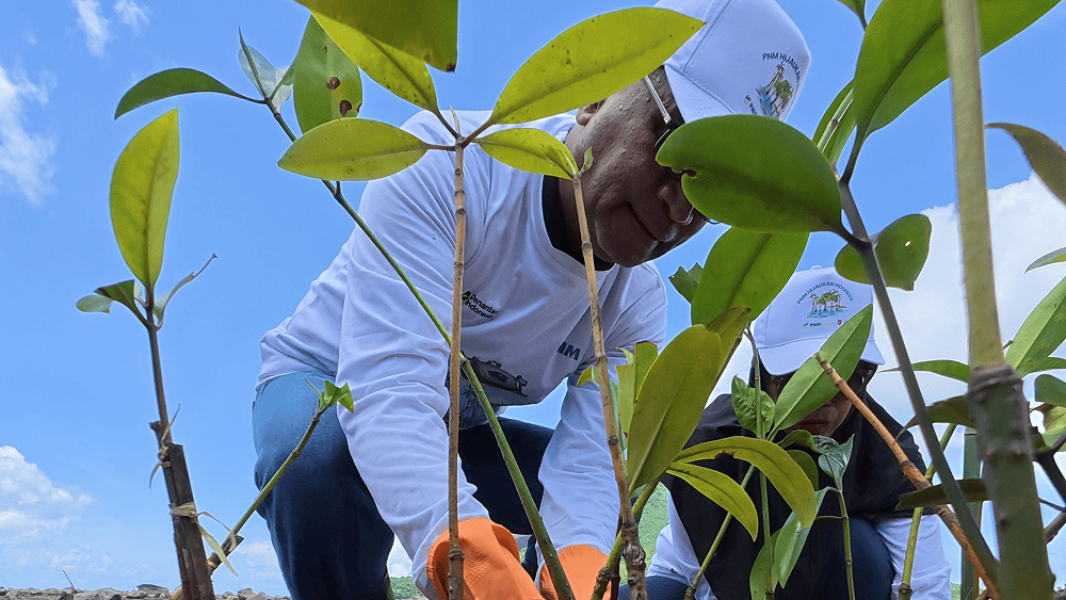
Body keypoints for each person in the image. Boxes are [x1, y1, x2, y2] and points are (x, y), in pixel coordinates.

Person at [252, 1, 811, 599]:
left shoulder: (636, 301)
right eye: (676, 148)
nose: (681, 208)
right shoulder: (447, 164)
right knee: (315, 459)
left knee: (605, 538)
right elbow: (386, 388)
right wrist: (463, 551)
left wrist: (576, 566)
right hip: (328, 385)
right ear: (597, 97)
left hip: (457, 428)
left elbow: (595, 461)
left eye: (713, 193)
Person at [636, 267, 951, 600]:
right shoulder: (712, 442)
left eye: (847, 381)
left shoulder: (889, 454)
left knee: (855, 543)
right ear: (761, 376)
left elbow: (926, 587)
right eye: (797, 382)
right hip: (711, 587)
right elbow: (688, 575)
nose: (825, 407)